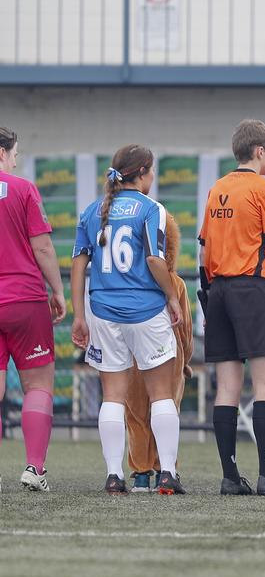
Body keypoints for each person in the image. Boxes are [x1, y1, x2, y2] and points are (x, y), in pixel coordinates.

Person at [70, 145, 185, 495]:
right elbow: (154, 260)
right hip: (146, 312)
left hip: (103, 312)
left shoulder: (93, 211)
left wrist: (79, 315)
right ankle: (166, 473)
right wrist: (170, 296)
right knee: (161, 393)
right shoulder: (152, 209)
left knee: (113, 396)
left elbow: (78, 265)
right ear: (144, 171)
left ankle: (113, 475)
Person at [200, 119, 265, 497]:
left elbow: (206, 251)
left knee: (227, 387)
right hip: (253, 289)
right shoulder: (264, 188)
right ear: (259, 151)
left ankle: (230, 476)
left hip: (219, 291)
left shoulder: (218, 188)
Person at [0, 126, 63, 494]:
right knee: (38, 385)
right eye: (15, 154)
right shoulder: (23, 189)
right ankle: (34, 468)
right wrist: (57, 290)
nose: (16, 160)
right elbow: (42, 249)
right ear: (3, 153)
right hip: (24, 299)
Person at [123, 212, 193, 493]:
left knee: (136, 413)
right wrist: (186, 358)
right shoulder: (175, 283)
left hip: (132, 357)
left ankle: (141, 473)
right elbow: (185, 328)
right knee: (166, 408)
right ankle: (167, 468)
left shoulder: (127, 284)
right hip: (169, 354)